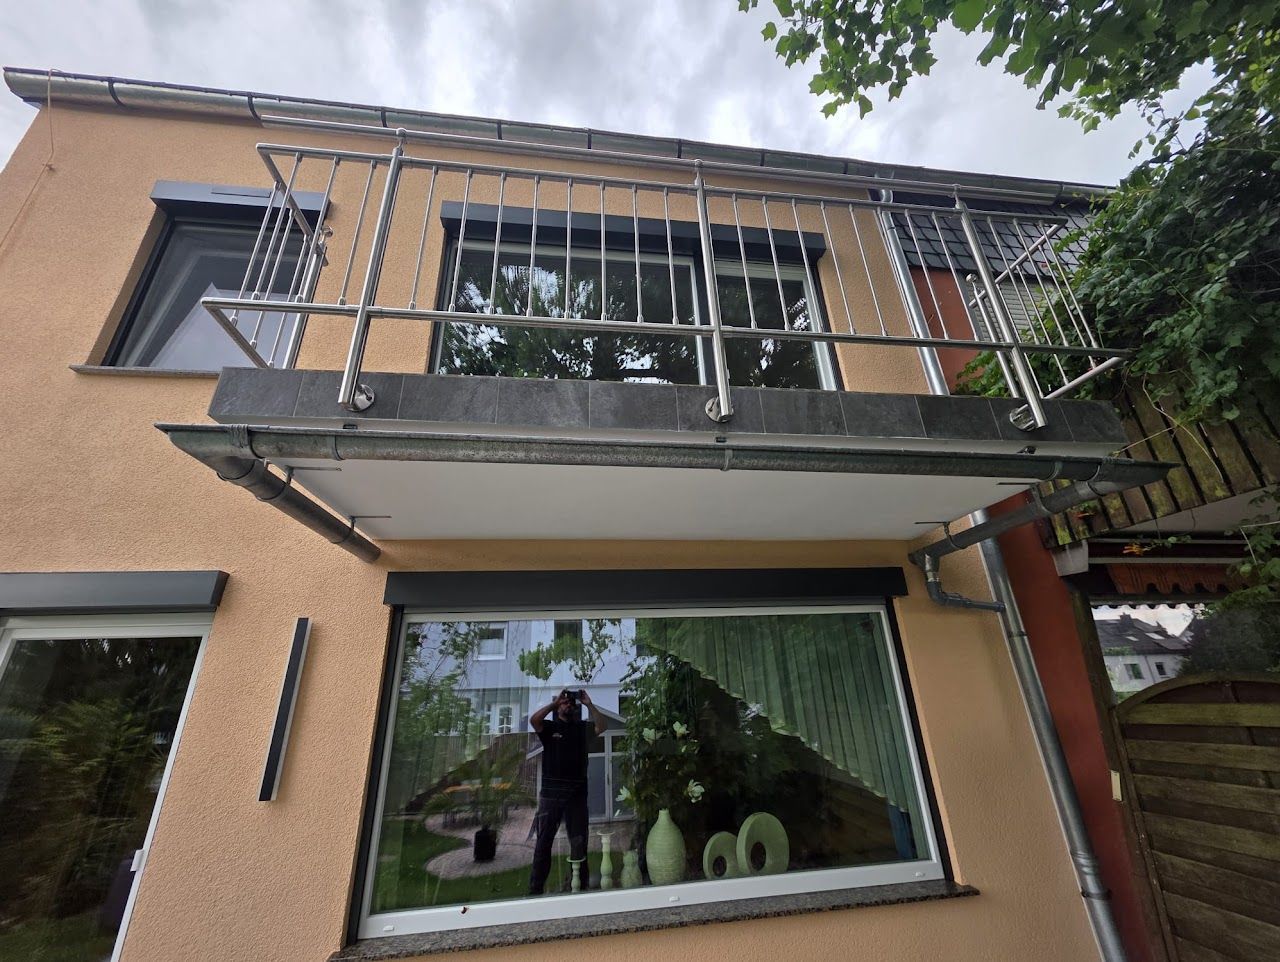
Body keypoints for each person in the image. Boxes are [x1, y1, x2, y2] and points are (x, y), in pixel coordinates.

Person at [527, 687, 606, 895]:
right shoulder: (549, 728)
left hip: (576, 796)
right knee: (544, 843)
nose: (568, 705)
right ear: (558, 707)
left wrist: (589, 704)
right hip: (551, 796)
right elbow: (533, 720)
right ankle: (535, 889)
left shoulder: (582, 728)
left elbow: (602, 726)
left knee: (579, 842)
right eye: (564, 702)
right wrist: (555, 702)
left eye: (571, 703)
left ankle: (580, 884)